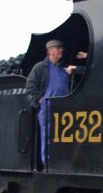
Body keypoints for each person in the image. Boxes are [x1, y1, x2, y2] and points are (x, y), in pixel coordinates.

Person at [26, 39, 86, 169]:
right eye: (58, 48)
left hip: (65, 107)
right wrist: (40, 99)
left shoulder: (65, 68)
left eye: (62, 48)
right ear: (50, 51)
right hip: (48, 107)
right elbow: (30, 85)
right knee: (47, 137)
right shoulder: (40, 68)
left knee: (67, 137)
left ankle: (64, 164)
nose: (61, 50)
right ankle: (48, 165)